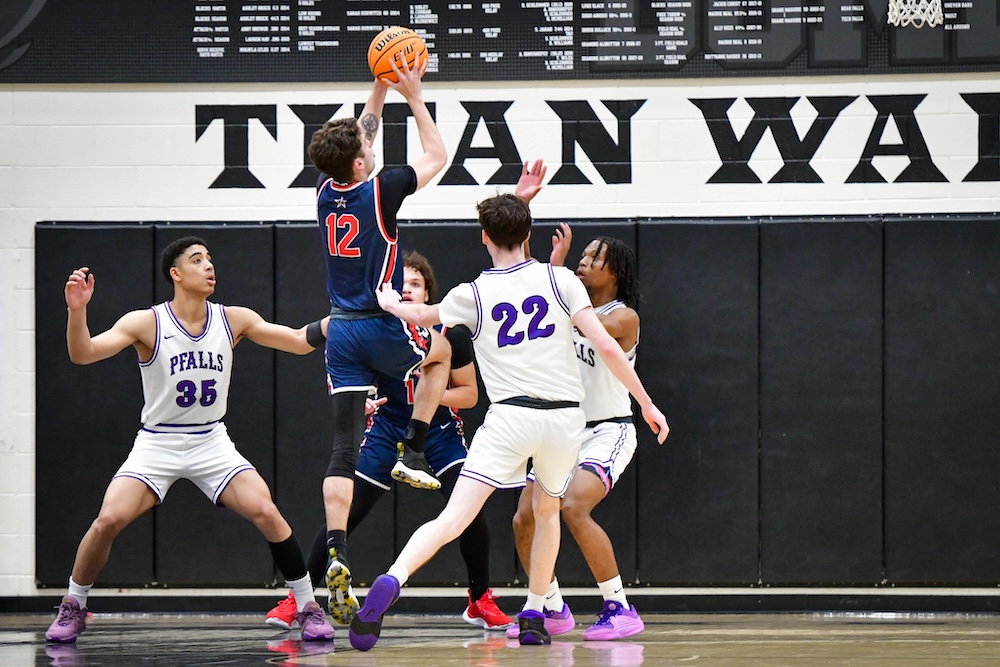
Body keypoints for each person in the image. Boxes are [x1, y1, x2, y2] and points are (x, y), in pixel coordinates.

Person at [348, 161, 669, 651]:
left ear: (482, 237)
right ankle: (536, 615)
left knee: (453, 519)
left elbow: (421, 313)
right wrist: (646, 403)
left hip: (509, 419)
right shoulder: (562, 281)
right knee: (546, 514)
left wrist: (392, 303)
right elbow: (606, 347)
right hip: (565, 421)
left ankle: (393, 577)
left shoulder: (471, 293)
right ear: (530, 232)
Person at [45, 236, 335, 644]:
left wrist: (338, 320)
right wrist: (78, 312)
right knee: (108, 519)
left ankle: (306, 605)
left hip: (210, 441)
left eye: (210, 259)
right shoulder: (146, 322)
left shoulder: (233, 318)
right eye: (197, 260)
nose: (209, 266)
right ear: (175, 274)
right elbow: (84, 353)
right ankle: (74, 605)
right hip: (157, 443)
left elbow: (297, 342)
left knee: (266, 510)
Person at [264, 251, 513, 632]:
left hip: (438, 432)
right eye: (402, 284)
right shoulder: (378, 329)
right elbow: (345, 373)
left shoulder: (452, 332)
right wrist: (361, 401)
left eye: (415, 284)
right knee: (347, 509)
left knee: (470, 511)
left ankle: (479, 599)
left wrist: (428, 395)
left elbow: (469, 394)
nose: (408, 291)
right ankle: (300, 598)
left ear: (428, 292)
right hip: (388, 428)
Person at [307, 52, 451, 626]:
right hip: (382, 323)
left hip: (339, 331)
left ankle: (338, 549)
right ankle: (413, 445)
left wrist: (377, 84)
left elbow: (361, 134)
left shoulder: (326, 192)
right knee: (441, 354)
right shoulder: (381, 191)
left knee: (344, 447)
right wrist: (412, 93)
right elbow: (438, 156)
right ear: (364, 162)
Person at [509, 224, 647, 641]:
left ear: (615, 273)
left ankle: (619, 605)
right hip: (564, 430)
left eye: (593, 259)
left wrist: (557, 276)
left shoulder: (622, 316)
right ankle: (551, 607)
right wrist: (553, 265)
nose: (583, 262)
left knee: (572, 507)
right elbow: (541, 298)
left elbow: (566, 318)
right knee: (524, 519)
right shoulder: (570, 303)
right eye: (581, 257)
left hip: (609, 430)